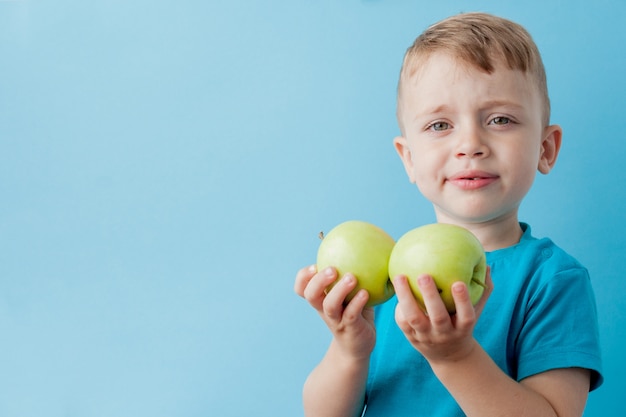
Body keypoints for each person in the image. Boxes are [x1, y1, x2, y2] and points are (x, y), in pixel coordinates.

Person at [294, 12, 603, 417]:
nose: (470, 144)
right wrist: (349, 350)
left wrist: (456, 357)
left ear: (545, 148)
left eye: (500, 119)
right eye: (440, 125)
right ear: (408, 158)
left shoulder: (553, 281)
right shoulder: (387, 277)